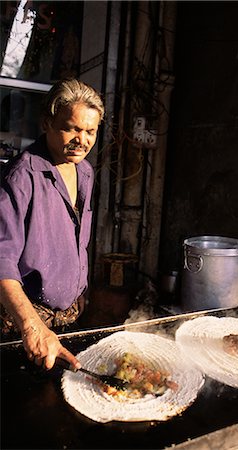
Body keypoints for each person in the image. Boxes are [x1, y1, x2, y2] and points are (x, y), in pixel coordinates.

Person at [0, 78, 104, 370]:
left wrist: (78, 288)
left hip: (69, 316)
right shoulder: (21, 176)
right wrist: (31, 327)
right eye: (71, 128)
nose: (81, 140)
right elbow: (2, 258)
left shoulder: (85, 172)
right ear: (47, 123)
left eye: (90, 131)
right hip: (25, 324)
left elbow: (75, 239)